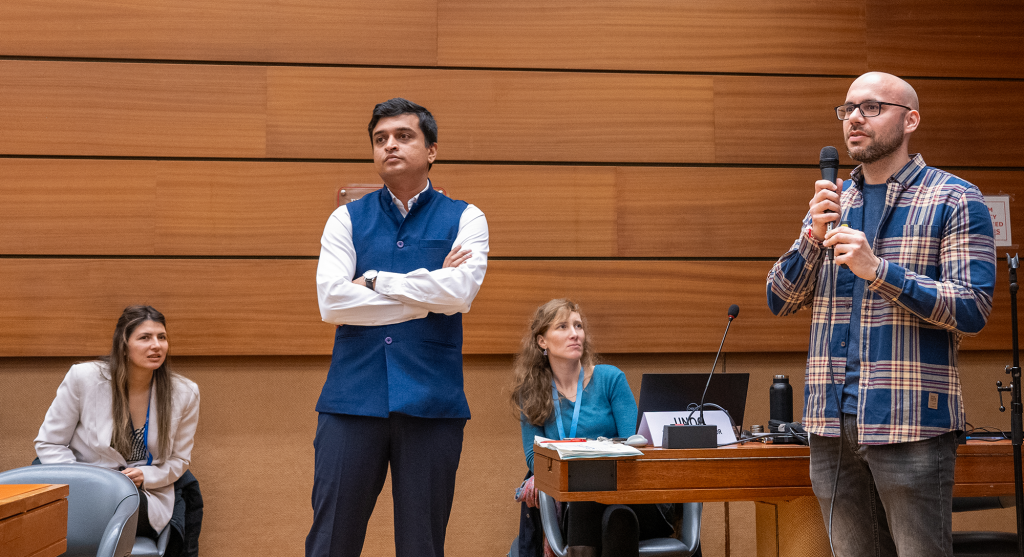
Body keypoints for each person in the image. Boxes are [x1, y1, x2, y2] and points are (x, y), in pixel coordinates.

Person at [767, 72, 996, 556]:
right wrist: (812, 235)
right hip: (830, 423)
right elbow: (779, 299)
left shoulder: (955, 199)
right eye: (847, 108)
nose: (854, 117)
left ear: (910, 119)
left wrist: (879, 271)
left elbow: (972, 308)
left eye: (871, 107)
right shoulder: (832, 202)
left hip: (909, 421)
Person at [309, 98, 489, 557]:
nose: (390, 145)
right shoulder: (345, 218)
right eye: (380, 139)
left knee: (422, 546)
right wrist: (427, 296)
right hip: (351, 400)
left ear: (431, 150)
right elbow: (332, 302)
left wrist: (373, 280)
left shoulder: (467, 218)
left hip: (432, 401)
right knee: (331, 541)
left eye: (403, 136)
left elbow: (461, 293)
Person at [510, 299, 674, 557]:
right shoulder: (532, 393)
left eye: (578, 326)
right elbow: (535, 459)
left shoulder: (610, 379)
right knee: (613, 516)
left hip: (631, 495)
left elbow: (636, 443)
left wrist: (581, 460)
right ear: (542, 341)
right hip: (579, 505)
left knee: (597, 501)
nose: (575, 334)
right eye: (562, 327)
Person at [35, 305, 202, 556]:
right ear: (124, 344)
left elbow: (179, 460)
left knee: (122, 504)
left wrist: (146, 475)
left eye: (162, 337)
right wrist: (89, 481)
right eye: (145, 337)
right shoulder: (84, 378)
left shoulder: (185, 392)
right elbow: (49, 444)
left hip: (141, 494)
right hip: (83, 486)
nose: (156, 345)